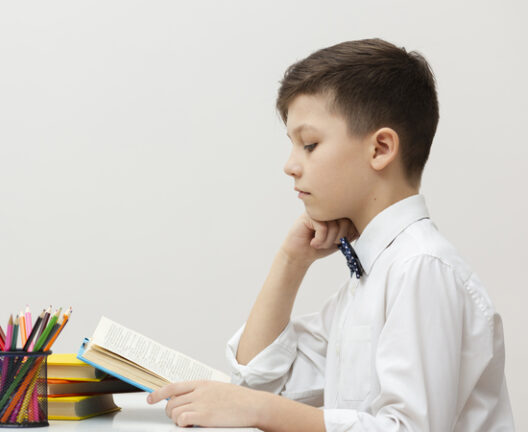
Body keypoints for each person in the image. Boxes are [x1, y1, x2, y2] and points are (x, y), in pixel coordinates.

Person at [146, 38, 514, 431]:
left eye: (309, 144)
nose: (290, 166)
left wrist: (258, 411)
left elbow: (408, 428)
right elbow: (258, 379)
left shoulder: (421, 269)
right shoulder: (367, 281)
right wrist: (290, 262)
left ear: (381, 149)